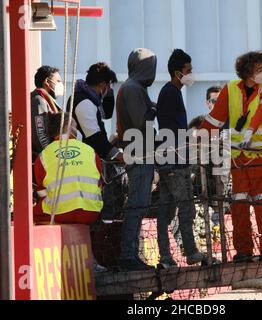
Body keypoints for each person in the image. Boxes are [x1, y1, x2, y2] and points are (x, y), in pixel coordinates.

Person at [200, 51, 262, 262]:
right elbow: (215, 120)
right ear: (249, 73)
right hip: (240, 160)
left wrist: (250, 130)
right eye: (261, 69)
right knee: (239, 207)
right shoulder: (230, 90)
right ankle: (243, 251)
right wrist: (197, 140)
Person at [155, 49, 207, 268]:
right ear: (178, 73)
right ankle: (192, 252)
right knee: (186, 208)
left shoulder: (169, 92)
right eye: (188, 70)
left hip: (168, 161)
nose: (191, 73)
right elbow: (173, 131)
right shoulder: (171, 94)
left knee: (165, 211)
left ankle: (166, 257)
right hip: (175, 162)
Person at [116, 48, 158, 271]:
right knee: (136, 204)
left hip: (142, 152)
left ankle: (131, 254)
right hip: (139, 153)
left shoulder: (134, 87)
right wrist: (154, 108)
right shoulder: (132, 89)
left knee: (139, 204)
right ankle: (128, 255)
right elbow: (142, 121)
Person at [33, 112, 103, 225]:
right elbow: (99, 185)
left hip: (59, 214)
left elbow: (42, 192)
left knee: (31, 215)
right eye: (75, 127)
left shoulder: (44, 156)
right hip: (91, 213)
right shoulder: (90, 151)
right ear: (69, 127)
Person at [67, 62, 122, 162]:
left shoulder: (88, 97)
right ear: (102, 84)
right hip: (85, 159)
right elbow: (95, 138)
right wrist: (117, 154)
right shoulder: (85, 102)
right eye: (109, 86)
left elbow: (106, 113)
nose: (109, 89)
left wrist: (109, 94)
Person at [31, 65, 63, 162]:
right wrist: (51, 156)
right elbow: (40, 133)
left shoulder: (47, 101)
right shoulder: (39, 101)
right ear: (47, 82)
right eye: (58, 81)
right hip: (45, 160)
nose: (60, 84)